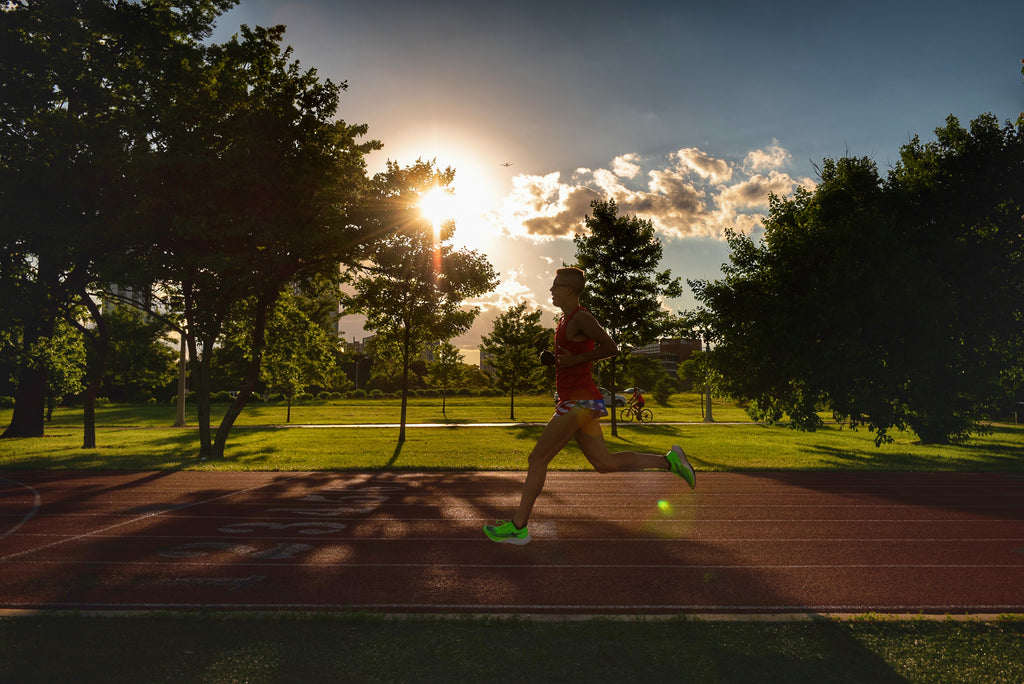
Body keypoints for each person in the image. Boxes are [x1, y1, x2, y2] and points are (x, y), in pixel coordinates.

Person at [483, 267, 695, 545]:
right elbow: (574, 356)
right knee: (604, 463)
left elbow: (611, 347)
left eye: (556, 286)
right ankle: (668, 461)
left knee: (537, 458)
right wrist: (557, 361)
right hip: (579, 400)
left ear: (570, 290)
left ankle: (518, 527)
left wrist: (576, 361)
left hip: (579, 402)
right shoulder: (565, 319)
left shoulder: (581, 317)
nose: (550, 290)